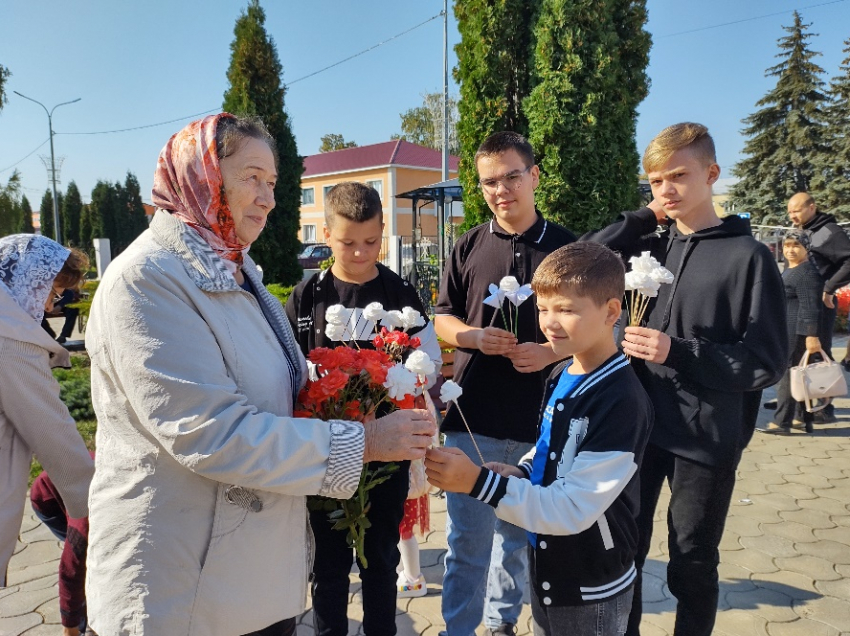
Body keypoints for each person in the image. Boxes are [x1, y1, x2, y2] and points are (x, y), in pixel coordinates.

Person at [84, 114, 436, 636]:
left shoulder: (233, 268)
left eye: (273, 182)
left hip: (244, 575)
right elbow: (210, 432)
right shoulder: (147, 280)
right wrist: (361, 442)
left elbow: (284, 386)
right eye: (251, 177)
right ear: (199, 175)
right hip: (181, 585)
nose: (269, 198)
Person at [584, 122, 787, 636]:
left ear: (712, 174)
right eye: (654, 181)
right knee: (621, 551)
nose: (665, 190)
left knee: (691, 562)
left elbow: (765, 360)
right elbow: (581, 258)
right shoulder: (650, 247)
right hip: (637, 428)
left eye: (678, 176)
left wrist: (679, 351)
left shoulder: (750, 258)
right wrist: (642, 216)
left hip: (705, 437)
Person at [426, 242, 653, 636]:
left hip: (591, 587)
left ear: (611, 312)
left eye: (566, 309)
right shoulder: (562, 373)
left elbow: (571, 508)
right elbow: (550, 447)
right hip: (551, 571)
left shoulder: (621, 400)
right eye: (544, 308)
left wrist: (479, 483)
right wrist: (520, 469)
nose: (549, 322)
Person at [433, 131, 576, 636]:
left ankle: (501, 625)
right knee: (466, 544)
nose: (501, 190)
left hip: (541, 423)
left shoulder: (565, 249)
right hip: (474, 421)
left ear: (534, 176)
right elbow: (441, 318)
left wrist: (550, 352)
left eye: (512, 176)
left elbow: (596, 331)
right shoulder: (469, 244)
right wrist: (473, 337)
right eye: (489, 181)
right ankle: (458, 629)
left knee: (518, 542)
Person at [285, 181, 442, 636]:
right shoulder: (307, 297)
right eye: (347, 243)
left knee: (381, 558)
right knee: (330, 566)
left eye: (371, 242)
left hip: (387, 455)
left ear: (382, 232)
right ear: (326, 236)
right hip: (327, 452)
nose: (359, 252)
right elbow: (288, 370)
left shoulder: (401, 294)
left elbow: (427, 365)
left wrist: (402, 380)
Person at [0, 235, 94, 589]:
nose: (50, 306)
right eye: (51, 292)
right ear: (27, 281)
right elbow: (55, 438)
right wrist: (102, 510)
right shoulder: (10, 342)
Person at [787, 192, 850, 423]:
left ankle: (824, 408)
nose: (792, 215)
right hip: (800, 301)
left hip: (820, 303)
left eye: (796, 210)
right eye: (790, 211)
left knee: (818, 352)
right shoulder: (805, 230)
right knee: (797, 351)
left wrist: (829, 287)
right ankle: (796, 403)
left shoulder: (829, 231)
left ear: (811, 207)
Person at [761, 230, 823, 435]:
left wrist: (811, 336)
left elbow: (811, 307)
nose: (790, 250)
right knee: (795, 374)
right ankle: (797, 417)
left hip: (798, 331)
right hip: (787, 328)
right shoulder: (792, 268)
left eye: (796, 246)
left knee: (788, 374)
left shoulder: (807, 273)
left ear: (806, 248)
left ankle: (782, 422)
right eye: (787, 246)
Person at [30, 460, 93, 636]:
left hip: (80, 476)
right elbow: (69, 572)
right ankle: (87, 622)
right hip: (47, 496)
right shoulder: (85, 525)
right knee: (83, 560)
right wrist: (70, 627)